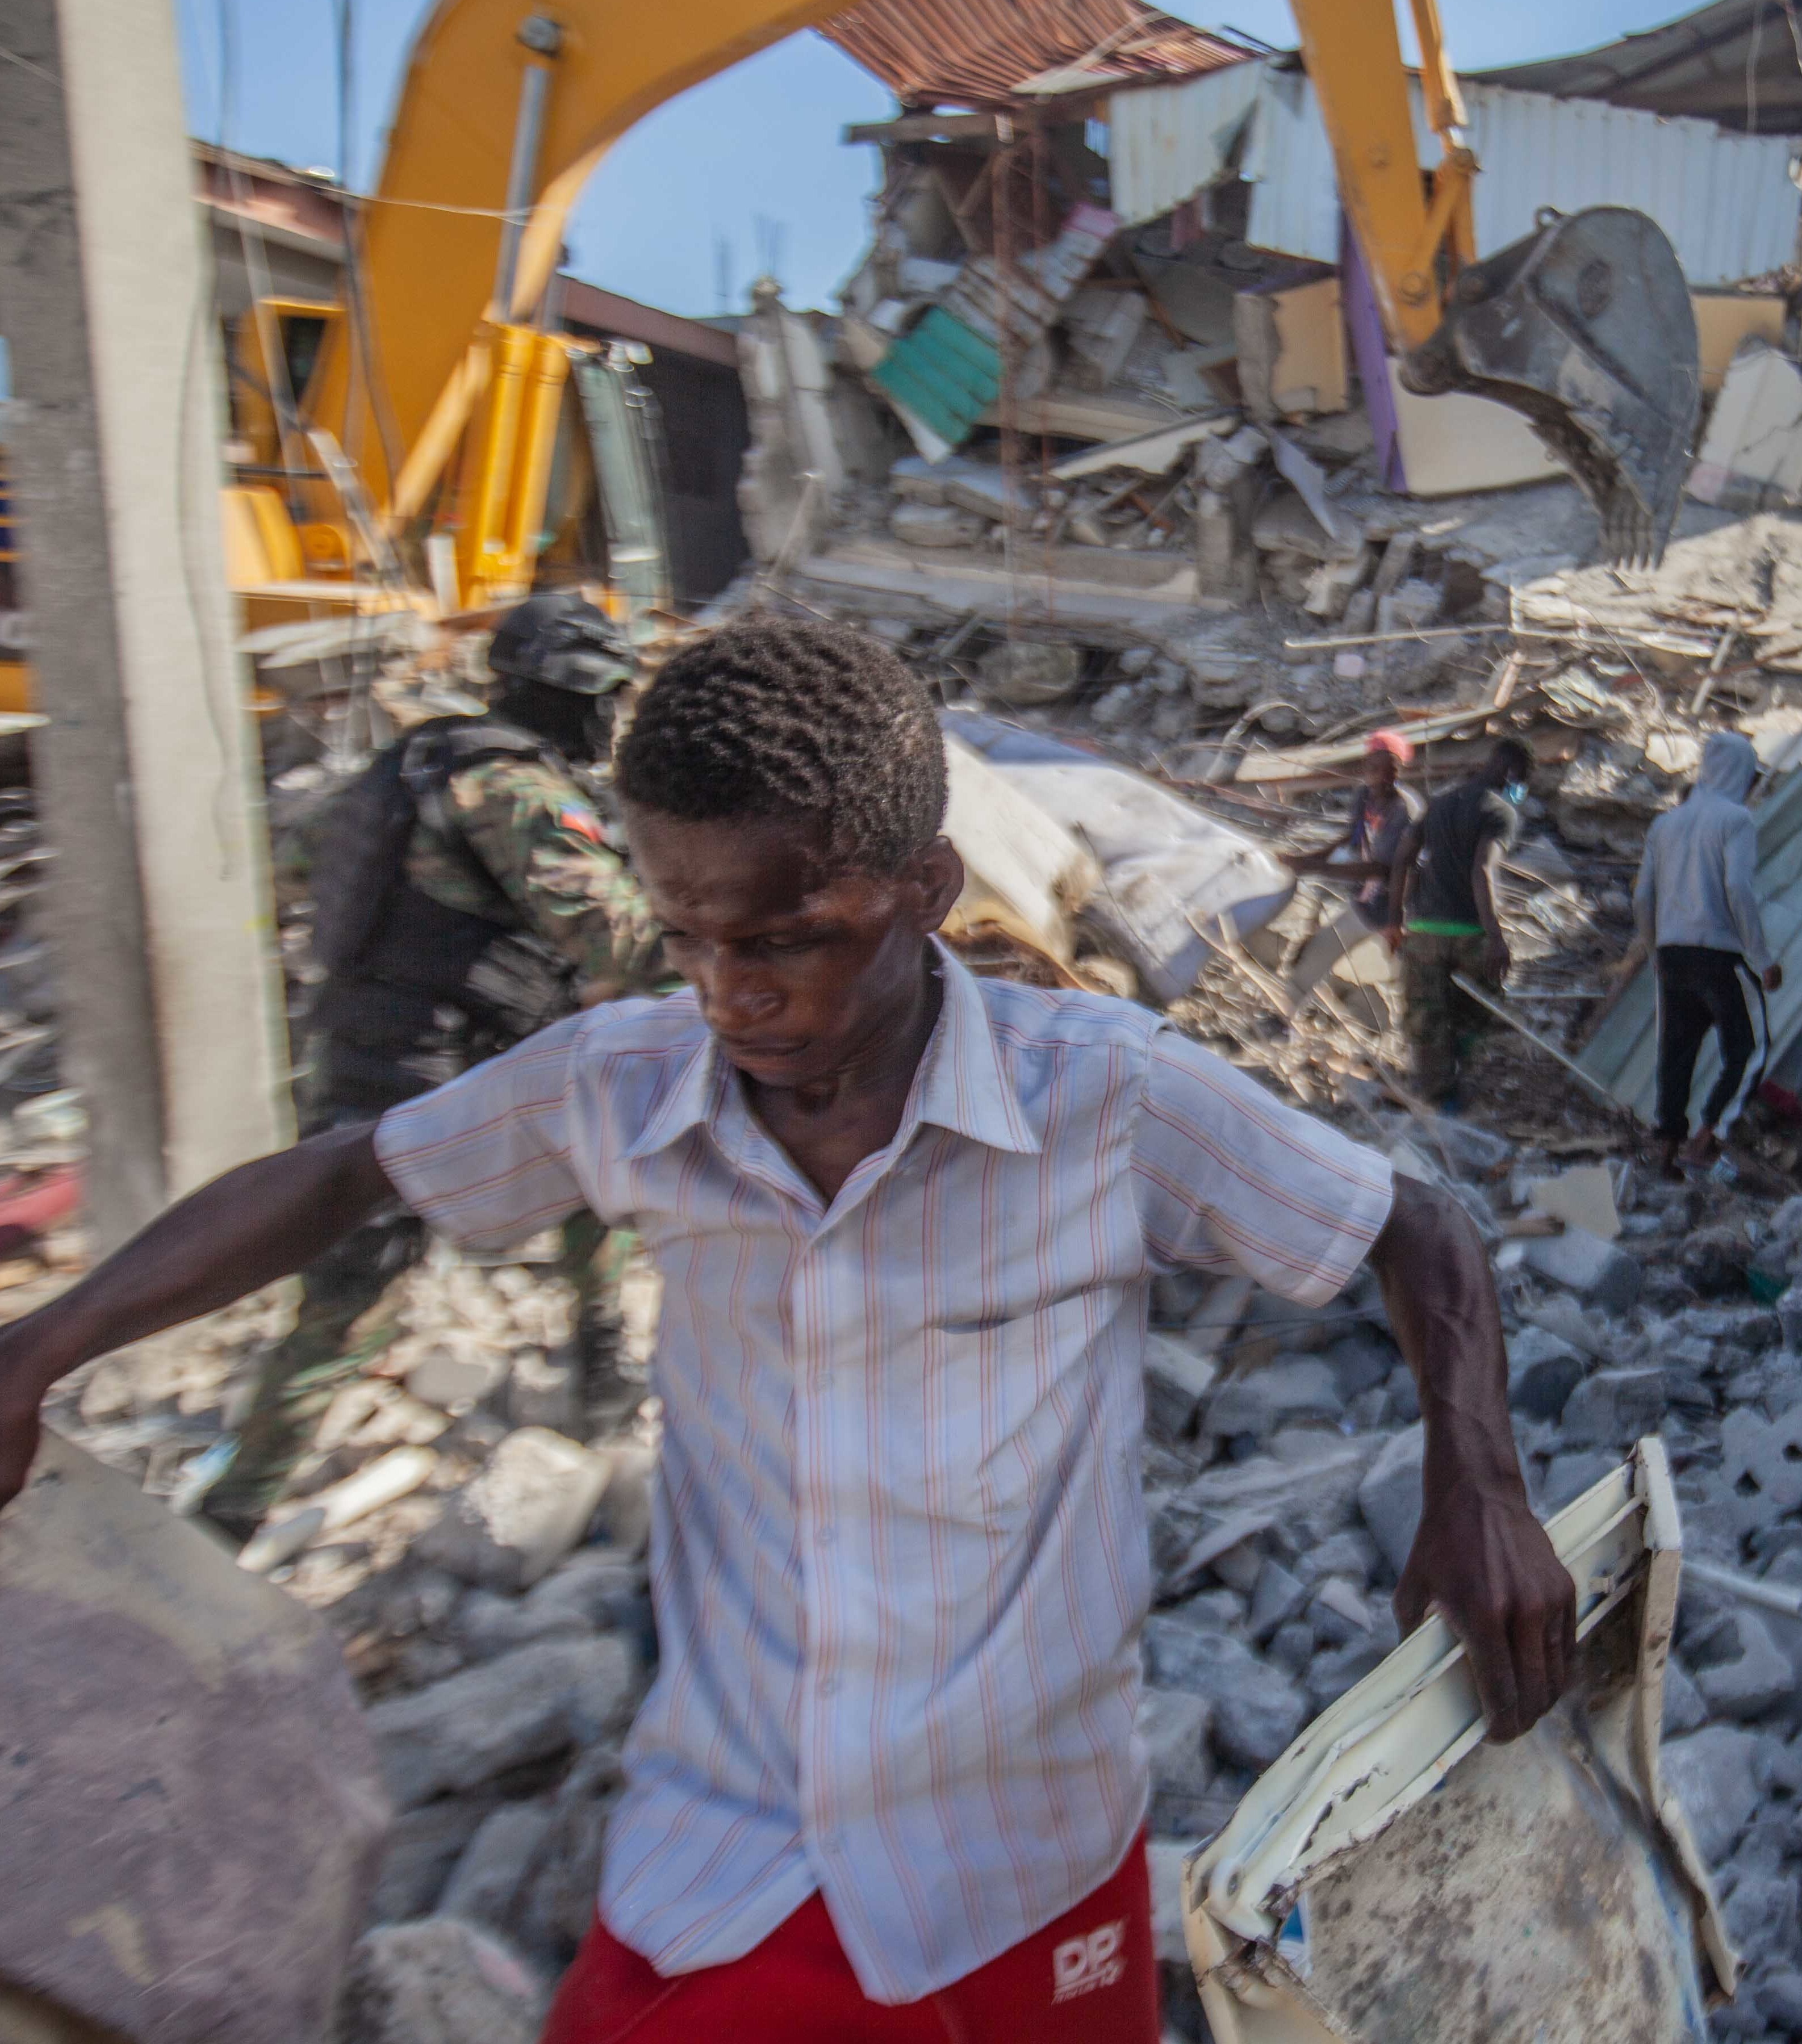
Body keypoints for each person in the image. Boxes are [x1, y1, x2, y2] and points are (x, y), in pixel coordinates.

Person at [0, 623, 1575, 2040]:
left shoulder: (1104, 1097)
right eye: (686, 938)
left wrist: (1479, 1481)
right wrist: (45, 1342)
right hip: (732, 1862)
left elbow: (1412, 1226)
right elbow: (350, 1172)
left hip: (1029, 1861)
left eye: (783, 939)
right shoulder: (619, 1086)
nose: (725, 993)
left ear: (926, 891)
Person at [199, 594, 663, 1540]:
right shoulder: (515, 791)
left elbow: (301, 866)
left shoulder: (412, 760)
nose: (612, 719)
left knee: (582, 1175)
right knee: (359, 1288)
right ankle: (235, 1508)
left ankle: (600, 1366)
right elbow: (618, 941)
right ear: (574, 694)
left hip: (360, 1046)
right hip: (446, 1066)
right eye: (607, 698)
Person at [1633, 732, 1784, 1174]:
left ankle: (1666, 1149)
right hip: (1717, 954)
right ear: (1740, 773)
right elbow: (1737, 888)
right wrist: (1762, 958)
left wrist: (1654, 950)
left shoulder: (1665, 824)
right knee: (1748, 1049)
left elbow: (1642, 897)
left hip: (1671, 953)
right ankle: (1707, 1135)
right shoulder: (1736, 820)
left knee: (1675, 1053)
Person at [1390, 736, 1530, 1109]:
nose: (1521, 788)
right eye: (1522, 779)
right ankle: (1457, 1082)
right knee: (1479, 1011)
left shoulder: (1439, 803)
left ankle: (1436, 1094)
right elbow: (1482, 871)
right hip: (1469, 933)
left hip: (1423, 930)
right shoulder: (1500, 812)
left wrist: (1394, 920)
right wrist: (1495, 937)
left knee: (1426, 1016)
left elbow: (1402, 859)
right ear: (1510, 772)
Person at [1281, 730, 1415, 935]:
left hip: (1402, 902)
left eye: (1390, 771)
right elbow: (1353, 837)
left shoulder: (1402, 810)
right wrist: (1308, 858)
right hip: (1370, 894)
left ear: (1400, 772)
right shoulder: (1364, 796)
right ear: (1365, 767)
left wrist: (1318, 867)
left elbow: (1384, 869)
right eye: (1374, 768)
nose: (1381, 778)